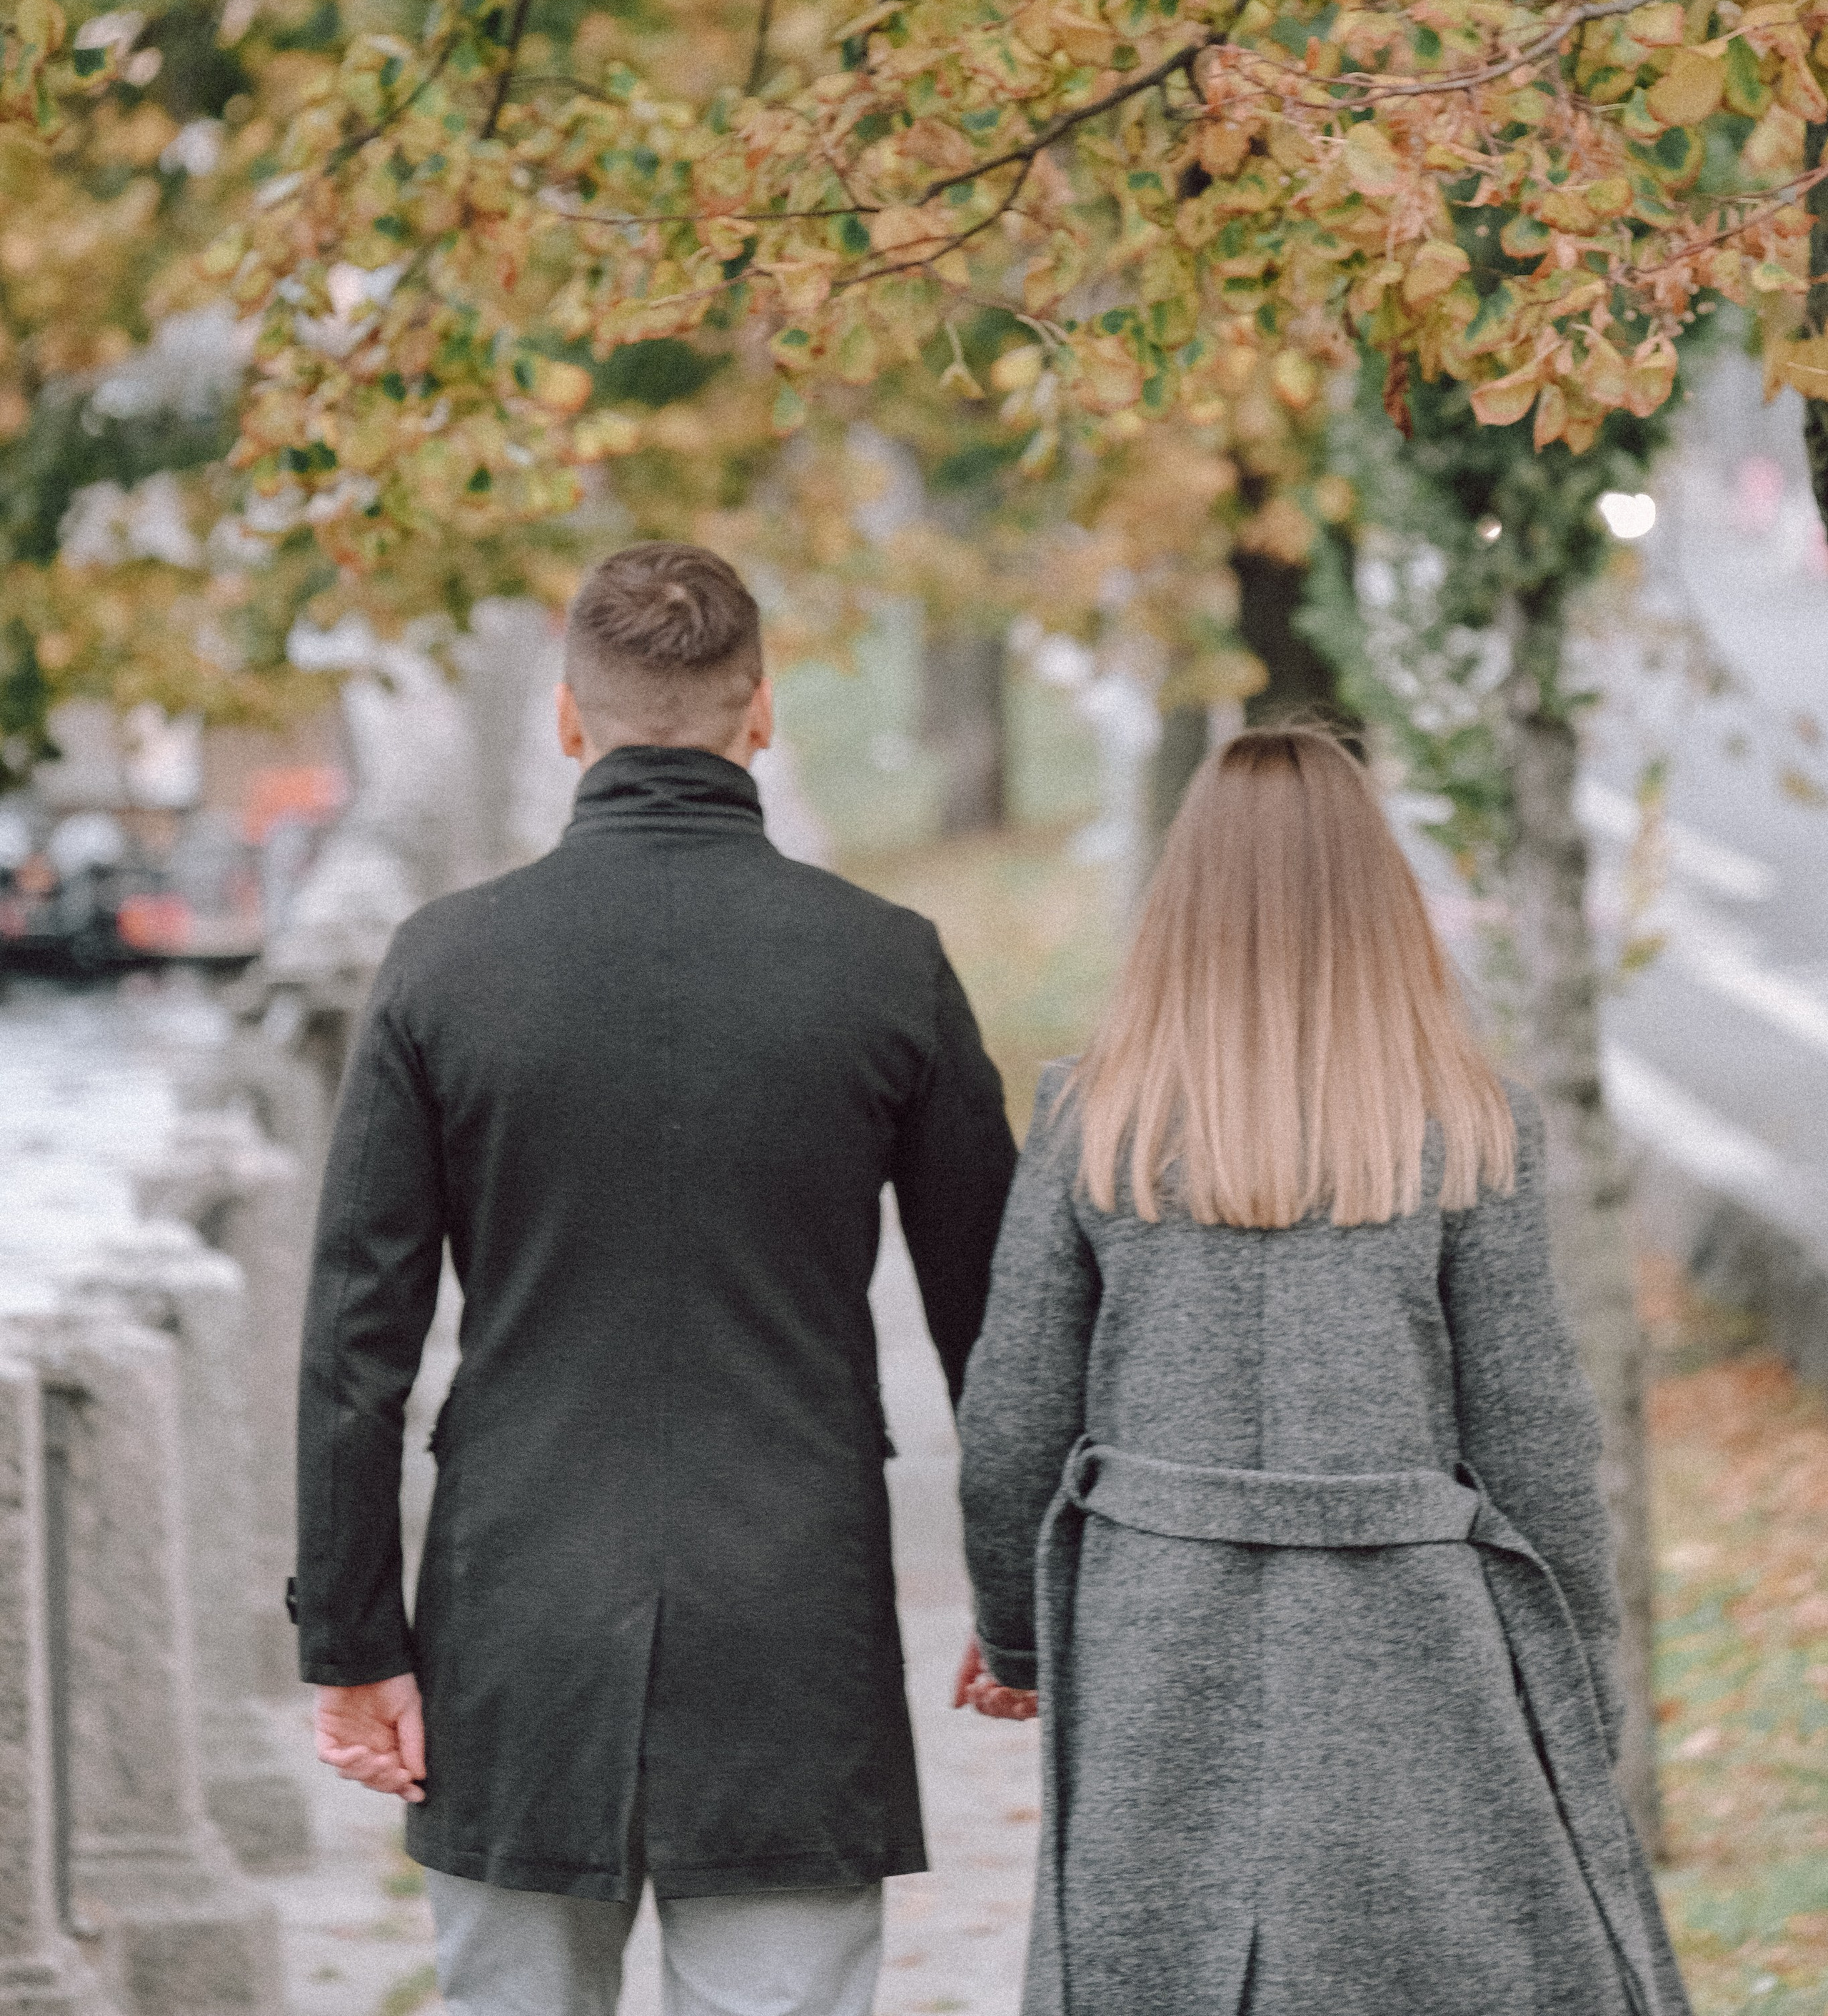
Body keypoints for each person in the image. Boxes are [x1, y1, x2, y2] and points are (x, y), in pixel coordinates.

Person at [293, 541, 1016, 2016]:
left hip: (514, 1616)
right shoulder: (885, 963)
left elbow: (354, 1347)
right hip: (793, 1612)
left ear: (569, 720)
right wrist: (1020, 1602)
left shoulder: (443, 964)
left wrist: (354, 1640)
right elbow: (993, 1325)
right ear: (762, 712)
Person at [955, 725, 1692, 2016]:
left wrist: (1014, 1642)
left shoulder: (1094, 1119)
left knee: (1162, 1969)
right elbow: (1536, 1443)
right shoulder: (1469, 1127)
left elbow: (1013, 1415)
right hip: (1409, 1640)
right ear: (1380, 899)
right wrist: (1577, 1691)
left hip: (1153, 1627)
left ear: (1180, 903)